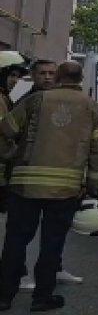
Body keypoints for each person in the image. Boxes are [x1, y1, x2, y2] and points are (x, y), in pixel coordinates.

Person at [0, 61, 98, 312]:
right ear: (80, 79)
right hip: (65, 189)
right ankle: (42, 297)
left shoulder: (36, 101)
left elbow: (6, 129)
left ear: (59, 76)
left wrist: (12, 154)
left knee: (16, 240)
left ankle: (4, 296)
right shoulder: (92, 107)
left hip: (25, 184)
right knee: (53, 242)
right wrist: (93, 184)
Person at [15, 61, 84, 291]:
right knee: (23, 231)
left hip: (60, 178)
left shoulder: (69, 100)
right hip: (28, 177)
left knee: (55, 233)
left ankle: (55, 268)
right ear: (33, 76)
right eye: (42, 73)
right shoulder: (28, 101)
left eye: (51, 73)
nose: (47, 77)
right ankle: (21, 274)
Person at [0, 52, 28, 215]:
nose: (16, 81)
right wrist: (16, 152)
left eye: (17, 77)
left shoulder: (5, 98)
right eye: (11, 75)